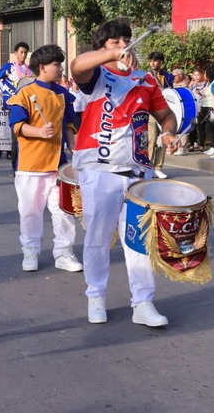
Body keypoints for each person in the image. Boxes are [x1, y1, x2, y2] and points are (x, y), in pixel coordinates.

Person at [71, 17, 179, 328]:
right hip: (98, 170)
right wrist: (111, 56)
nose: (123, 46)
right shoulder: (96, 74)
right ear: (103, 48)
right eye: (115, 42)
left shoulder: (145, 79)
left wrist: (169, 132)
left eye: (125, 41)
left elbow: (165, 114)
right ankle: (96, 295)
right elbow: (78, 65)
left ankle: (143, 303)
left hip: (137, 172)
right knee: (98, 239)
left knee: (140, 241)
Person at [7, 44, 82, 273]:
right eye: (56, 64)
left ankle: (64, 253)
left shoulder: (63, 94)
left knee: (63, 212)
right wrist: (39, 132)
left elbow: (69, 125)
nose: (61, 69)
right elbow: (18, 127)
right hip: (31, 166)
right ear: (42, 67)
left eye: (60, 64)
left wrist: (73, 147)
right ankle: (30, 251)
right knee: (30, 212)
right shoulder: (24, 94)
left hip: (59, 167)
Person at [0, 42, 32, 161]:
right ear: (15, 53)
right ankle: (15, 168)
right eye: (21, 52)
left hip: (27, 105)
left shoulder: (29, 70)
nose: (23, 55)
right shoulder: (9, 67)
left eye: (25, 53)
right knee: (16, 138)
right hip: (13, 105)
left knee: (27, 137)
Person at [145, 51, 174, 178]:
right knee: (151, 139)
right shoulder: (146, 76)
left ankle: (158, 167)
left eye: (155, 60)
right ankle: (148, 166)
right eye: (151, 60)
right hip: (151, 110)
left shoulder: (168, 76)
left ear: (161, 62)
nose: (152, 63)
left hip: (164, 110)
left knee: (164, 137)